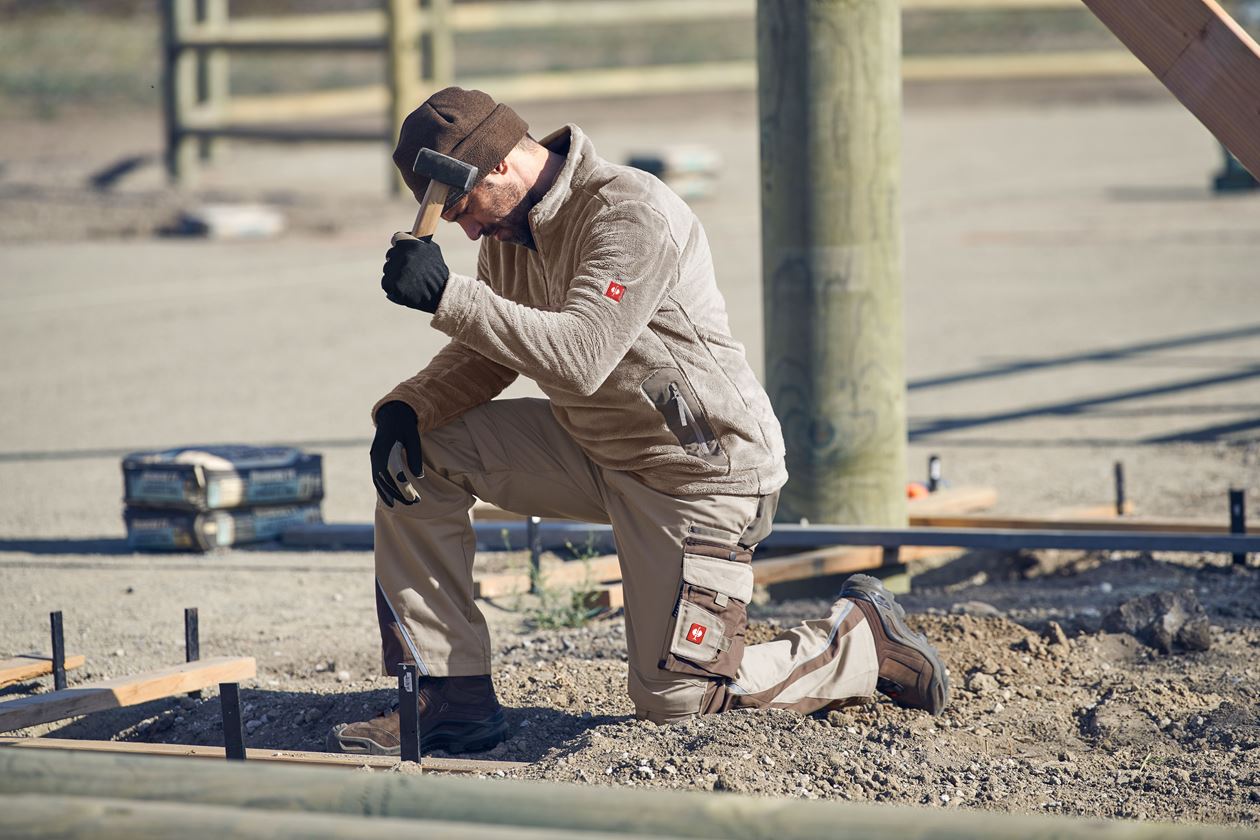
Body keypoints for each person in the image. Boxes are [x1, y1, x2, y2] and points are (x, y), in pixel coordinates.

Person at [327, 87, 948, 756]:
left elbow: (582, 354)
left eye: (466, 209)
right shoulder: (509, 234)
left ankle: (857, 640)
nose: (470, 231)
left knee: (677, 701)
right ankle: (452, 698)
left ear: (500, 163)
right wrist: (408, 406)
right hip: (595, 449)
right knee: (415, 456)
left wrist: (448, 295)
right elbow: (490, 351)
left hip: (699, 473)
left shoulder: (628, 212)